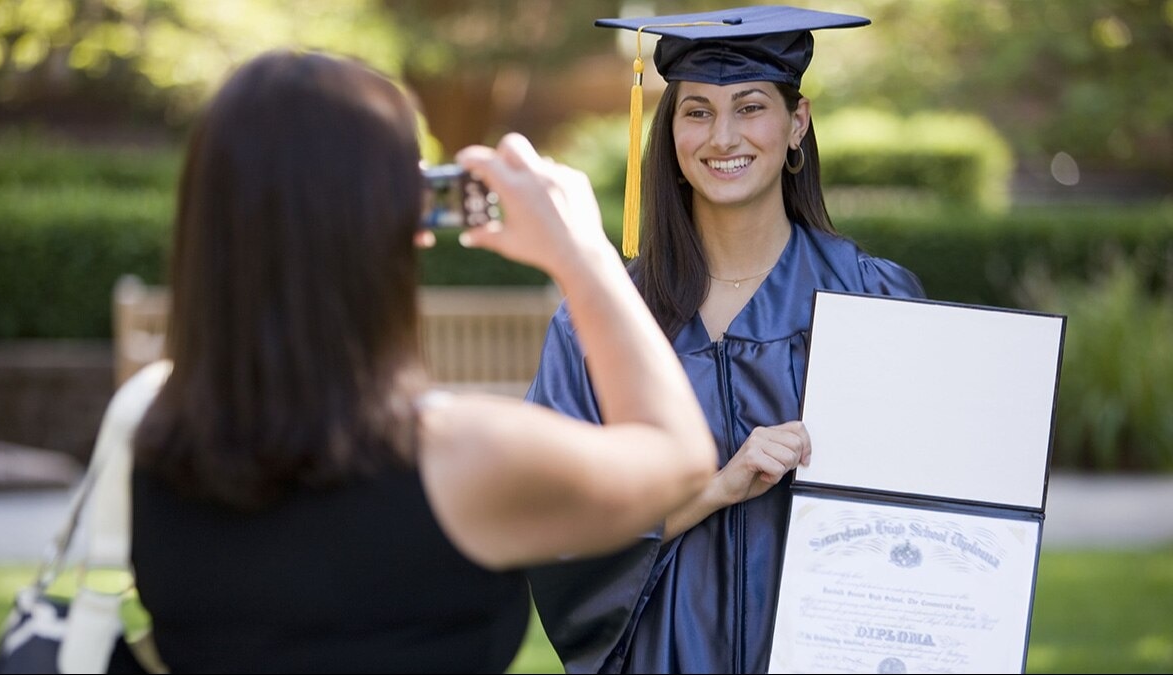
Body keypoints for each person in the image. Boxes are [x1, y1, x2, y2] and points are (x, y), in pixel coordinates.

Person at [127, 48, 716, 673]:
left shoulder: (154, 442)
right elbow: (677, 457)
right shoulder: (464, 459)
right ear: (390, 221)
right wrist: (583, 256)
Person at [524, 6, 927, 674]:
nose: (723, 136)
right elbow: (553, 521)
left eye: (750, 107)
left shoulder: (873, 300)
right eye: (698, 112)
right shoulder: (601, 324)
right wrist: (715, 488)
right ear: (670, 133)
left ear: (796, 124)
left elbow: (933, 511)